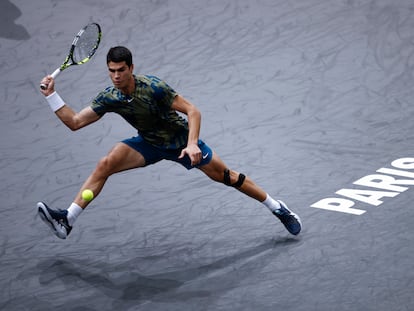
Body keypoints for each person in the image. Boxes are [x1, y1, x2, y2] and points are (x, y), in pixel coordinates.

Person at [37, 46, 302, 239]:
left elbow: (193, 110)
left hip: (180, 143)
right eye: (111, 71)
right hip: (149, 143)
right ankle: (68, 220)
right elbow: (75, 122)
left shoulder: (153, 87)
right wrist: (52, 96)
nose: (116, 76)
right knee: (105, 164)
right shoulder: (109, 97)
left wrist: (193, 143)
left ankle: (278, 208)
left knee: (228, 177)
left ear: (131, 68)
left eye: (120, 70)